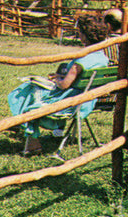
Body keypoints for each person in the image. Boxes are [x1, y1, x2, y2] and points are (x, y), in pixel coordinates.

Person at [7, 15, 110, 155]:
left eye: (79, 32)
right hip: (88, 100)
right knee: (33, 90)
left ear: (85, 35)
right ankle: (31, 136)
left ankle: (31, 139)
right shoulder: (102, 58)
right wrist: (61, 76)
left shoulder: (83, 58)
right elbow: (79, 79)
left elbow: (64, 86)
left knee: (29, 90)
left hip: (71, 102)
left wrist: (56, 81)